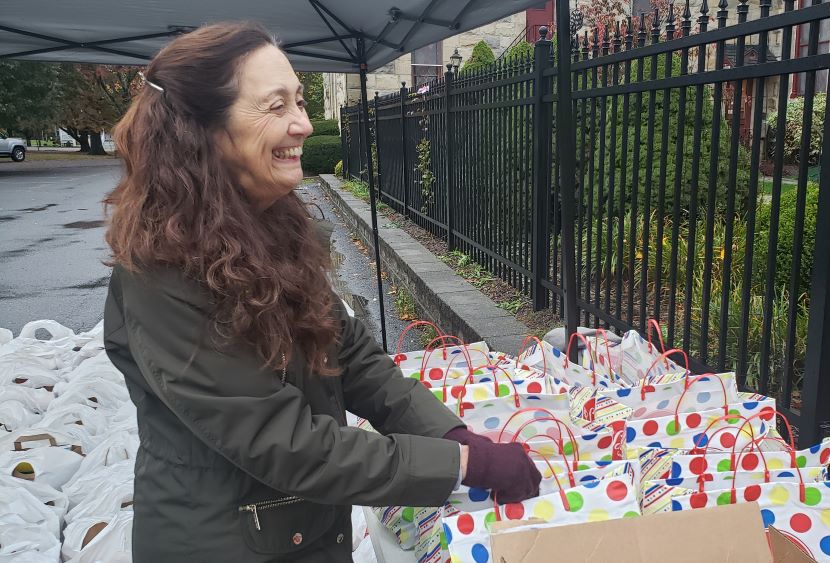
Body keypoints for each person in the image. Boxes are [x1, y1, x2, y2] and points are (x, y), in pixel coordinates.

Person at [102, 22, 540, 562]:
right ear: (202, 130)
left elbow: (349, 354)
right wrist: (460, 468)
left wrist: (452, 435)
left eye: (302, 102)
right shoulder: (161, 270)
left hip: (302, 531)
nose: (304, 124)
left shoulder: (270, 226)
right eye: (276, 105)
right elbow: (284, 442)